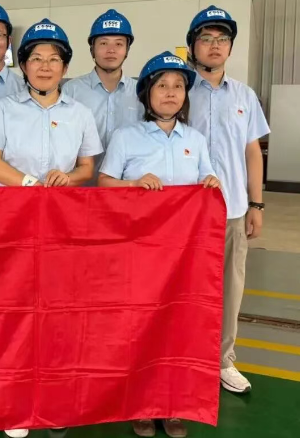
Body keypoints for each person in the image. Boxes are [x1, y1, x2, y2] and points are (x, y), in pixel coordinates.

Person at [0, 19, 103, 437]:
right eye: (36, 58)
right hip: (10, 225)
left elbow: (87, 167)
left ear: (65, 68)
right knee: (10, 307)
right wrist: (30, 184)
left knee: (56, 312)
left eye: (54, 59)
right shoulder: (3, 110)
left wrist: (69, 178)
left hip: (61, 227)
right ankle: (10, 395)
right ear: (24, 65)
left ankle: (53, 397)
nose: (45, 66)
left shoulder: (80, 114)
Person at [99, 51, 220, 438]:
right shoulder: (126, 137)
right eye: (162, 85)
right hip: (138, 254)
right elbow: (104, 184)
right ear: (146, 94)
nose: (170, 92)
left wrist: (211, 184)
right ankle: (141, 404)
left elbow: (208, 182)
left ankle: (173, 405)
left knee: (179, 328)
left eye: (178, 86)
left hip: (183, 258)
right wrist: (133, 184)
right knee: (139, 328)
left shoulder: (195, 140)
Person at [186, 6, 270, 394]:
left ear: (231, 47)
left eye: (222, 39)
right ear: (193, 46)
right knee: (182, 289)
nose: (215, 45)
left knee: (229, 289)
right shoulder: (176, 88)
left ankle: (222, 360)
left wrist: (256, 204)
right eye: (206, 38)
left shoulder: (244, 95)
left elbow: (252, 151)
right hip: (185, 213)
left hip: (232, 210)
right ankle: (182, 357)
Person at [62, 9, 142, 150]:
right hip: (82, 165)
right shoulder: (71, 90)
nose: (111, 50)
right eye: (104, 43)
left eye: (119, 44)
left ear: (127, 50)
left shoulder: (141, 91)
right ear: (92, 49)